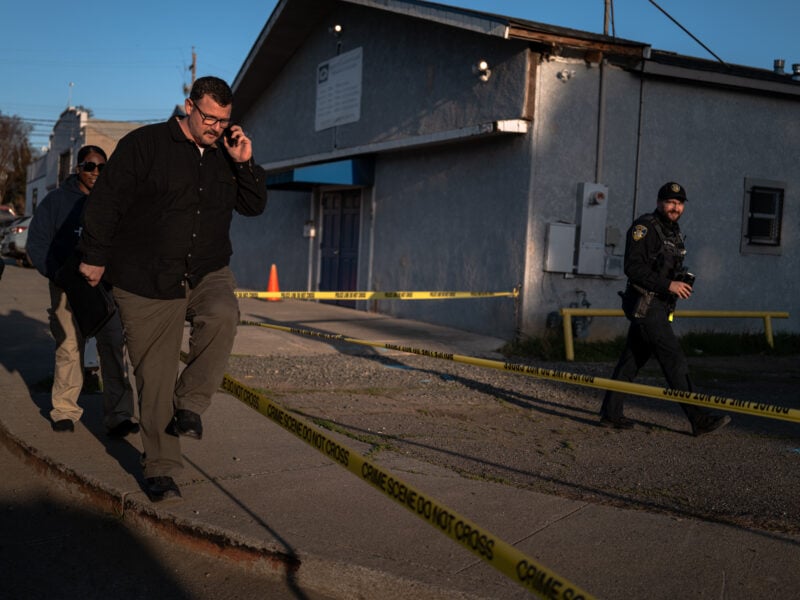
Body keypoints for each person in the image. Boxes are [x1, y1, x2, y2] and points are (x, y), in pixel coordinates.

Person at [77, 76, 268, 502]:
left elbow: (255, 205)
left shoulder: (226, 155)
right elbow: (106, 200)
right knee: (155, 376)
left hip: (205, 271)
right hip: (146, 278)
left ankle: (191, 405)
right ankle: (161, 466)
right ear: (188, 106)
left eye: (224, 120)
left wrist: (245, 162)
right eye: (208, 117)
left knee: (223, 313)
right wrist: (94, 254)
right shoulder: (145, 146)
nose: (215, 127)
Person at [599, 181, 731, 436]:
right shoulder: (645, 227)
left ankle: (610, 414)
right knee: (675, 361)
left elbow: (662, 265)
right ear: (660, 202)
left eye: (679, 203)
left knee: (631, 361)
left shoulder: (673, 231)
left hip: (659, 305)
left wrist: (678, 281)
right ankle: (699, 419)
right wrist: (669, 284)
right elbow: (633, 269)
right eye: (670, 202)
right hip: (647, 306)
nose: (675, 207)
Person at [27, 145, 137, 436]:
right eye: (90, 166)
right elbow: (36, 244)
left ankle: (120, 415)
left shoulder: (116, 201)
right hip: (67, 287)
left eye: (102, 167)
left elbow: (129, 242)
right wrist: (57, 275)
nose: (96, 173)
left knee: (113, 347)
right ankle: (64, 410)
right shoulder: (56, 202)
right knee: (69, 347)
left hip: (105, 287)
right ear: (78, 168)